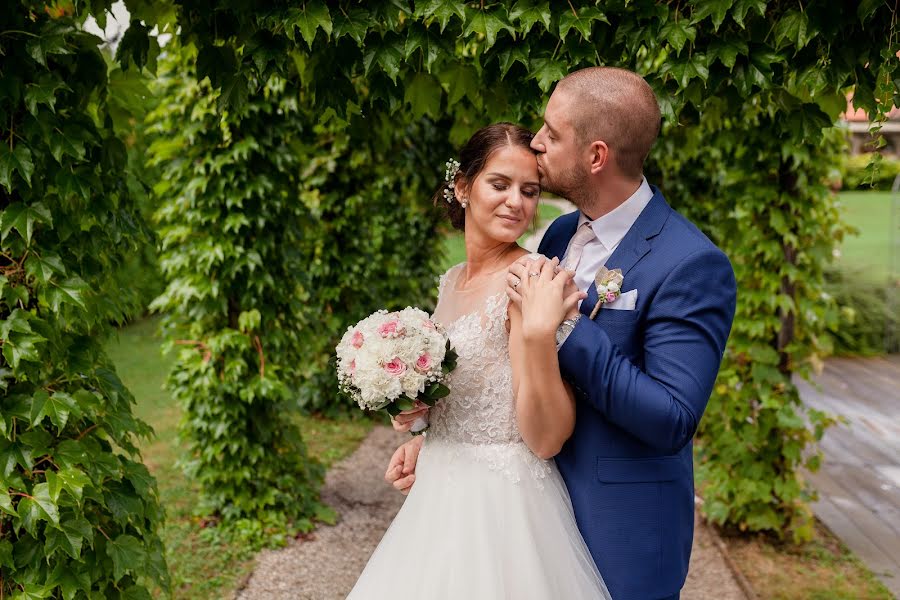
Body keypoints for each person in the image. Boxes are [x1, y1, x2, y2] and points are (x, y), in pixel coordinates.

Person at [388, 67, 738, 600]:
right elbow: (508, 371)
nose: (536, 141)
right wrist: (439, 440)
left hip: (618, 527)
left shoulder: (690, 262)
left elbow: (672, 418)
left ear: (595, 156)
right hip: (520, 507)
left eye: (551, 133)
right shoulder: (556, 233)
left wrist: (565, 327)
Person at [347, 123, 612, 599]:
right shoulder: (451, 281)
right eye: (500, 184)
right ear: (463, 187)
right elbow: (470, 389)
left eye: (529, 191)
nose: (516, 202)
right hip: (437, 497)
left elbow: (547, 438)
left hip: (503, 506)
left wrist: (535, 334)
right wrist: (421, 422)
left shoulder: (530, 279)